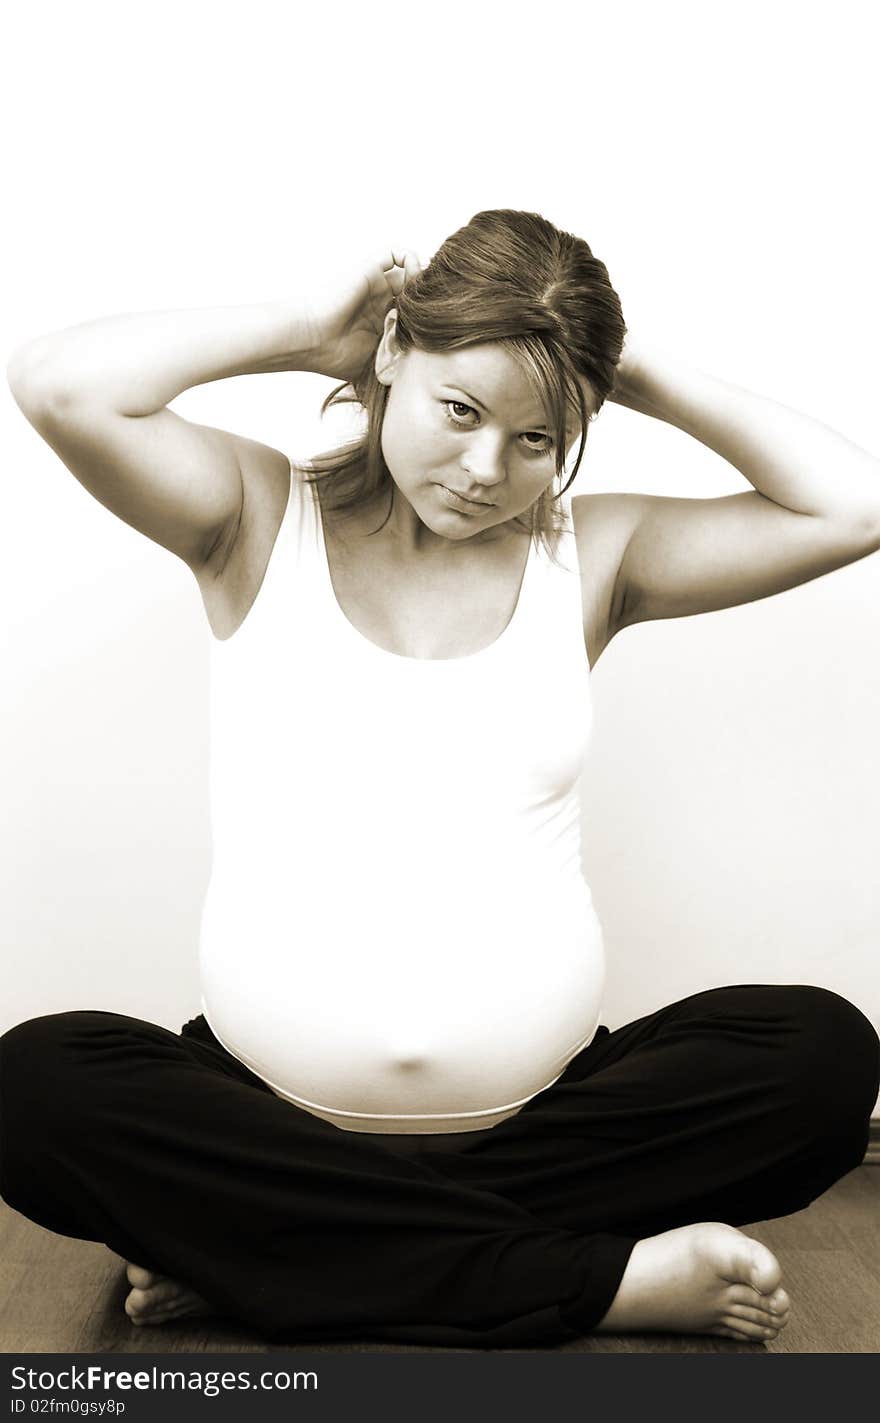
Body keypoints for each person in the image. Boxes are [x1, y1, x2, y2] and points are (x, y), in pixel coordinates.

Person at [2, 209, 878, 1350]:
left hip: (547, 1115)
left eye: (537, 437)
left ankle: (266, 1254)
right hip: (263, 1111)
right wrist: (302, 329)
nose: (484, 469)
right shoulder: (253, 517)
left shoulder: (592, 556)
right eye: (460, 410)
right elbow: (59, 383)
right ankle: (590, 1278)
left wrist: (626, 365)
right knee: (35, 1085)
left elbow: (851, 507)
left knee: (818, 1054)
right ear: (390, 359)